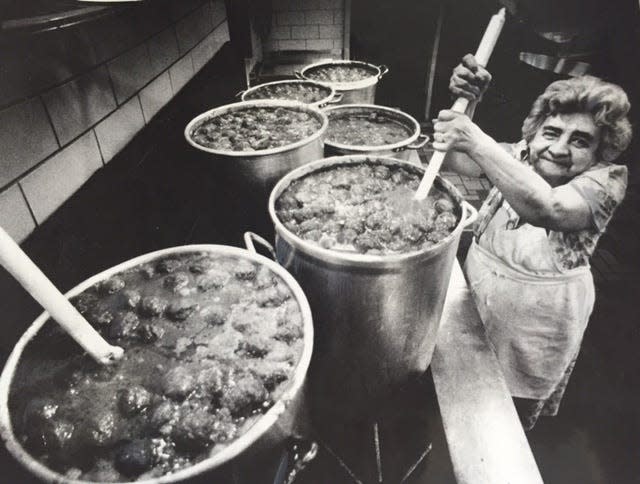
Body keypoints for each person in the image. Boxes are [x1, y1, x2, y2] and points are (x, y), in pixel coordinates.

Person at [435, 54, 632, 430]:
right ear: (534, 132)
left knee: (507, 414)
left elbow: (548, 208)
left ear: (598, 152)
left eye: (580, 141)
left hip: (537, 321)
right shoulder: (518, 154)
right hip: (481, 292)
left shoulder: (605, 183)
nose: (559, 149)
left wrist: (473, 138)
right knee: (464, 388)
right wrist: (468, 101)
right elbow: (456, 160)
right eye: (552, 133)